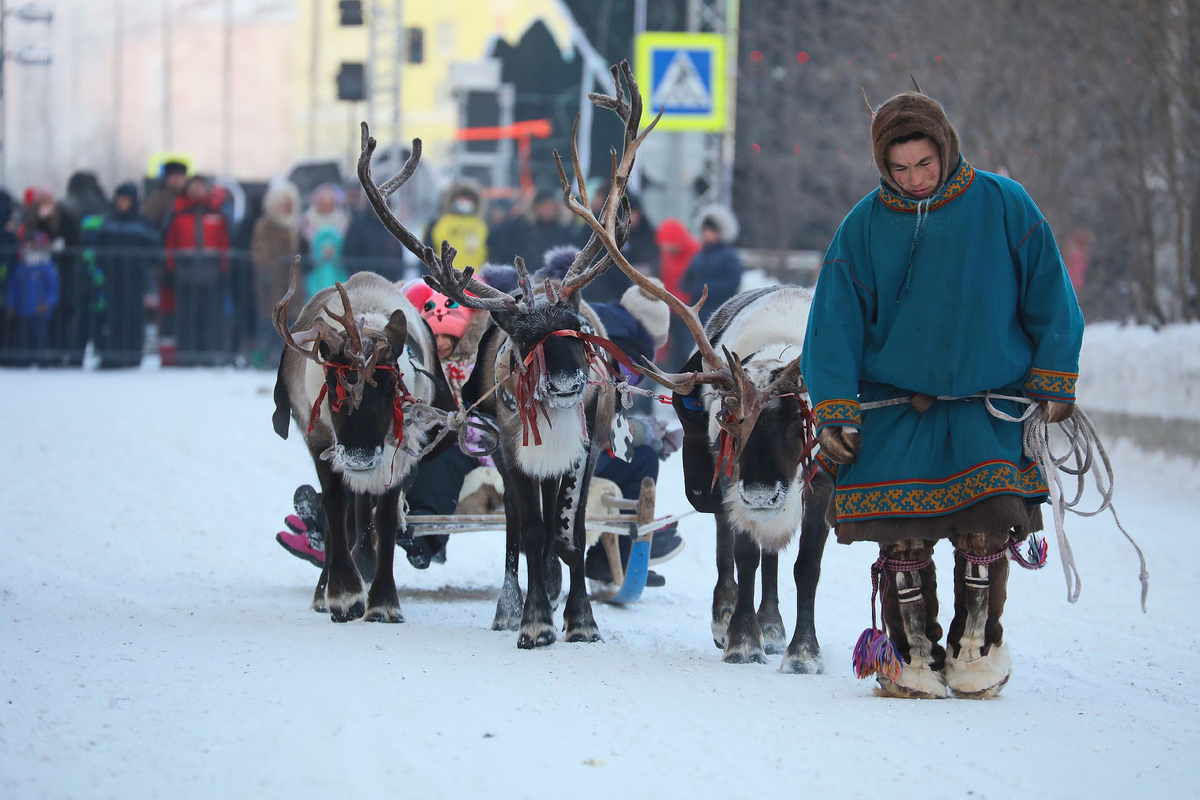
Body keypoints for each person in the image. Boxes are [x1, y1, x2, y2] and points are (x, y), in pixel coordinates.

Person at [800, 87, 1083, 699]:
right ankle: (912, 657)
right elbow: (833, 324)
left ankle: (976, 650)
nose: (915, 178)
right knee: (904, 534)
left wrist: (1056, 375)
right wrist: (834, 410)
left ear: (946, 149)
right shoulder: (863, 226)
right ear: (883, 165)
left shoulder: (1005, 204)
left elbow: (1049, 291)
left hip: (987, 405)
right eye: (899, 168)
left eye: (924, 163)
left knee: (984, 531)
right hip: (898, 410)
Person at [163, 176, 233, 364]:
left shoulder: (216, 213)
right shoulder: (178, 211)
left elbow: (224, 244)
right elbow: (170, 242)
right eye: (194, 186)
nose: (197, 190)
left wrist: (224, 270)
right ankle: (186, 355)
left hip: (211, 275)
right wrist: (169, 270)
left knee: (208, 317)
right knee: (185, 317)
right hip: (184, 274)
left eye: (201, 187)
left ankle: (206, 354)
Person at [95, 183, 160, 368]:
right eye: (119, 198)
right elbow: (99, 246)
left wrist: (141, 264)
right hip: (112, 277)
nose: (122, 202)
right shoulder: (108, 220)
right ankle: (114, 355)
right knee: (113, 318)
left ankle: (132, 356)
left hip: (135, 278)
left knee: (133, 318)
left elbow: (154, 248)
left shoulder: (142, 222)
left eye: (126, 199)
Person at [250, 180, 301, 366]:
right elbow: (261, 252)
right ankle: (266, 356)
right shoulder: (265, 226)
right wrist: (272, 267)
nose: (286, 208)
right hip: (271, 284)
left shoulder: (295, 226)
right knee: (270, 320)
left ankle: (287, 358)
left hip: (294, 285)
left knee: (292, 321)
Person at [679, 205, 743, 324]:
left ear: (720, 231)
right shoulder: (699, 256)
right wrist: (693, 287)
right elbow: (684, 282)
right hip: (697, 315)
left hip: (721, 314)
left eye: (712, 230)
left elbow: (732, 283)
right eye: (706, 230)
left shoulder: (728, 256)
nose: (708, 234)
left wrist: (703, 289)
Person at [654, 218, 701, 370]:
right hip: (671, 308)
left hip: (690, 309)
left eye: (670, 246)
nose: (667, 250)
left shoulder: (696, 252)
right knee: (672, 349)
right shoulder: (665, 255)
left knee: (689, 347)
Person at [7, 231, 58, 365]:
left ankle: (43, 361)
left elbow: (52, 286)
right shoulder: (21, 266)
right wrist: (11, 304)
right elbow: (13, 287)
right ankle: (21, 361)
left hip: (39, 310)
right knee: (22, 338)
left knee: (41, 337)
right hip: (22, 310)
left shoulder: (45, 265)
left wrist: (48, 303)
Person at [423, 181, 489, 269]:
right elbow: (427, 251)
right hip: (444, 276)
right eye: (461, 199)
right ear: (452, 200)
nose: (464, 202)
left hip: (476, 276)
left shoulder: (482, 225)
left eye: (468, 199)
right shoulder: (438, 223)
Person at [144, 161, 189, 231]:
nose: (177, 179)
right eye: (174, 176)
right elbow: (149, 220)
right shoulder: (158, 198)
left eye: (180, 176)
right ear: (167, 178)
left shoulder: (190, 197)